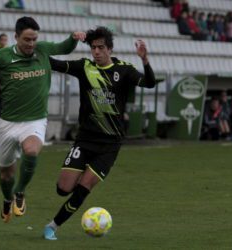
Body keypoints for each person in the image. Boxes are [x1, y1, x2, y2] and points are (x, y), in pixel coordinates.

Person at [0, 16, 86, 223]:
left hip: (35, 120)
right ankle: (6, 198)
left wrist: (73, 38)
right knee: (5, 174)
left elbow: (64, 47)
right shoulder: (3, 56)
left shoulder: (42, 50)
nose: (31, 44)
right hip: (8, 123)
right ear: (16, 37)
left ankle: (20, 192)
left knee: (31, 151)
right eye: (27, 39)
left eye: (34, 39)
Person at [43, 26, 156, 240]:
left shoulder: (124, 69)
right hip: (84, 140)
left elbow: (149, 83)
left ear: (110, 49)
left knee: (84, 188)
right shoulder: (84, 66)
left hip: (109, 146)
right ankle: (76, 180)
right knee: (63, 188)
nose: (96, 52)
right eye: (93, 48)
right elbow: (54, 64)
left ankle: (52, 226)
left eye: (100, 47)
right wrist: (34, 50)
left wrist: (145, 60)